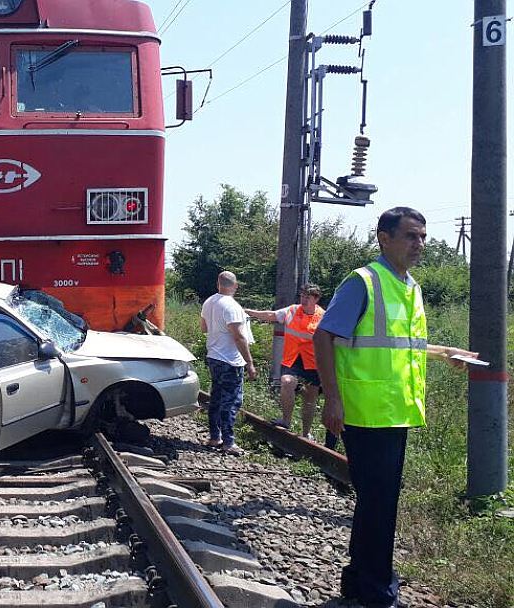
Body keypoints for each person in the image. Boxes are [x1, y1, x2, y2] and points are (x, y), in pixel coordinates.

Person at [312, 207, 476, 608]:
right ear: (384, 238)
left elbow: (402, 347)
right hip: (367, 411)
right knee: (380, 503)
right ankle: (376, 590)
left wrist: (444, 353)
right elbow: (324, 337)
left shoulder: (410, 287)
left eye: (422, 236)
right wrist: (332, 398)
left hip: (394, 411)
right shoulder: (364, 282)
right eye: (410, 236)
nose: (419, 243)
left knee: (377, 500)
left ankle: (360, 582)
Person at [245, 283, 325, 440]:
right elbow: (271, 315)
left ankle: (305, 433)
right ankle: (286, 421)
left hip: (313, 363)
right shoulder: (292, 310)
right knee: (286, 381)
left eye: (307, 297)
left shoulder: (323, 316)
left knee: (310, 398)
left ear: (316, 299)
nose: (303, 300)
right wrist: (248, 312)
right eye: (302, 296)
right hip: (292, 359)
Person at [200, 271, 257, 456]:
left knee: (216, 398)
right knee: (231, 401)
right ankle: (228, 442)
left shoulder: (209, 302)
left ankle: (215, 437)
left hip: (214, 357)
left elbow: (204, 328)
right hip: (230, 360)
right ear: (235, 285)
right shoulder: (232, 306)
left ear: (218, 284)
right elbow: (239, 337)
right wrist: (249, 363)